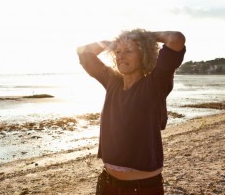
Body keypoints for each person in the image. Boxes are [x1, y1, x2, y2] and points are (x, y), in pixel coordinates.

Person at [76, 29, 186, 195]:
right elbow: (83, 52)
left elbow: (176, 39)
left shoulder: (155, 84)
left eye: (129, 51)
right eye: (118, 52)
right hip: (108, 184)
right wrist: (110, 44)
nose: (121, 56)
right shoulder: (112, 81)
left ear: (144, 55)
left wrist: (147, 37)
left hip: (142, 189)